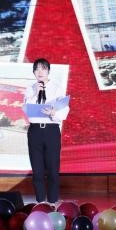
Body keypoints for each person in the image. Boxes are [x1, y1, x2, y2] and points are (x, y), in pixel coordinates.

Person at [24, 58, 69, 204]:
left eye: (43, 68)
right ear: (33, 72)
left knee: (52, 170)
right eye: (37, 69)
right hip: (35, 131)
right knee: (37, 171)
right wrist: (34, 94)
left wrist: (53, 113)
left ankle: (53, 203)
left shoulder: (57, 88)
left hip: (51, 131)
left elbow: (64, 110)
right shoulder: (30, 89)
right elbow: (27, 110)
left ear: (48, 71)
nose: (40, 72)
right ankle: (40, 203)